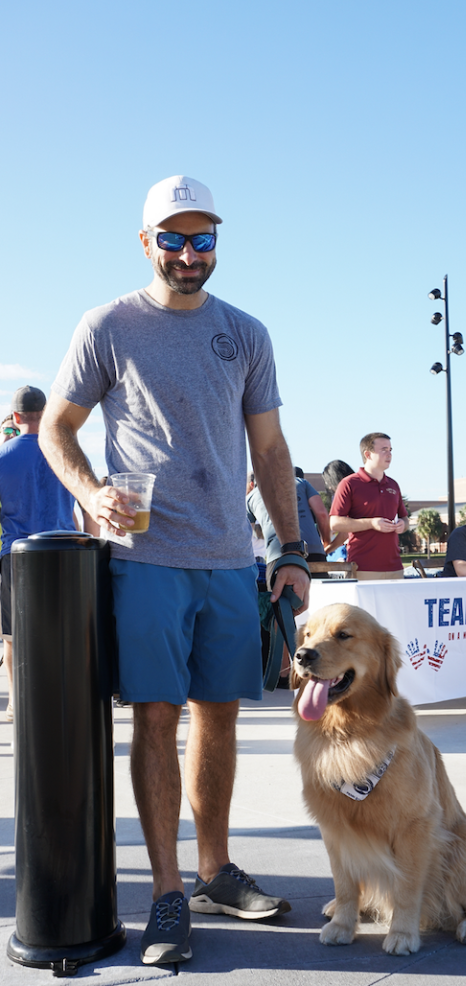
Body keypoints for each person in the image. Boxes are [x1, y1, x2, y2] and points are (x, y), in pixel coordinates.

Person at [39, 175, 311, 967]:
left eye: (202, 239)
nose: (189, 254)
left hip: (230, 558)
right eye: (173, 239)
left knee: (219, 716)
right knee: (156, 716)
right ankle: (165, 894)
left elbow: (271, 451)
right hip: (147, 558)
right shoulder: (107, 325)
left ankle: (213, 871)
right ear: (146, 241)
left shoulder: (247, 332)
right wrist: (90, 491)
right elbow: (59, 428)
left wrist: (289, 550)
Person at [0, 386, 76, 722]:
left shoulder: (4, 457)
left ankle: (18, 706)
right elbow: (83, 508)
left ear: (15, 417)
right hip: (65, 552)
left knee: (14, 637)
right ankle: (64, 702)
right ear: (46, 414)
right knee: (63, 633)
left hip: (17, 553)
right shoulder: (66, 452)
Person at [330, 434, 408, 579]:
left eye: (391, 449)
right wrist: (371, 523)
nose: (389, 454)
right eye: (384, 449)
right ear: (368, 454)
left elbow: (404, 517)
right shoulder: (349, 484)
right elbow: (335, 523)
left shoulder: (394, 485)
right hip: (362, 568)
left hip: (395, 568)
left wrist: (403, 524)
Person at [247, 466, 331, 576]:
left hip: (278, 554)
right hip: (313, 550)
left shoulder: (251, 497)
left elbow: (246, 536)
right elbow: (322, 514)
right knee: (319, 593)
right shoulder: (301, 483)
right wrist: (326, 541)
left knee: (280, 593)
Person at [321, 460, 354, 560]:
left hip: (354, 552)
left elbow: (345, 534)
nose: (330, 487)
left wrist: (324, 552)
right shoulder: (364, 487)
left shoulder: (345, 495)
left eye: (329, 483)